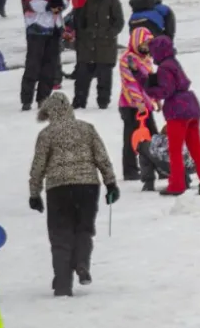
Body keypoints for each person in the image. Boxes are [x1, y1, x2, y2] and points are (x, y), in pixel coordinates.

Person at [28, 92, 118, 296]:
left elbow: (38, 166)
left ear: (49, 112)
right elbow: (101, 157)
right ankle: (82, 263)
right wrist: (110, 183)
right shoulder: (86, 129)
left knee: (60, 235)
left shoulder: (46, 134)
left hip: (58, 189)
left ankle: (62, 284)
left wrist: (34, 193)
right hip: (87, 186)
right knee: (83, 229)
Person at [128, 35, 200, 195]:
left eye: (152, 51)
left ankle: (177, 185)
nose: (151, 54)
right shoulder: (173, 63)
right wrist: (140, 75)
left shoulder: (164, 67)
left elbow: (165, 91)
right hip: (191, 106)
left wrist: (149, 88)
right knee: (196, 148)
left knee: (175, 150)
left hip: (177, 110)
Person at [20, 0, 69, 112]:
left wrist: (60, 4)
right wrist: (47, 5)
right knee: (33, 63)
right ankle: (26, 98)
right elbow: (27, 0)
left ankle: (44, 98)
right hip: (36, 26)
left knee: (50, 64)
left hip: (55, 26)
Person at [73, 0, 123, 110]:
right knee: (82, 76)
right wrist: (83, 35)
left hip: (105, 46)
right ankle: (79, 102)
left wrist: (108, 34)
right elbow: (82, 21)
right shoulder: (89, 0)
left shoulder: (112, 0)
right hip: (88, 45)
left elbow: (118, 22)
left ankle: (103, 102)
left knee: (104, 77)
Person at [119, 27, 159, 181]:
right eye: (145, 43)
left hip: (146, 105)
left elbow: (150, 81)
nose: (147, 46)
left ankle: (159, 166)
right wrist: (138, 102)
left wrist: (156, 99)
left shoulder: (146, 58)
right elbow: (130, 83)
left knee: (154, 136)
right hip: (130, 106)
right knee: (131, 138)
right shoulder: (127, 59)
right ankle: (130, 170)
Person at [137, 123, 195, 192]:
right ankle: (185, 179)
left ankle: (148, 182)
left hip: (171, 164)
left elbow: (153, 151)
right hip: (192, 166)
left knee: (143, 147)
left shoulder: (162, 139)